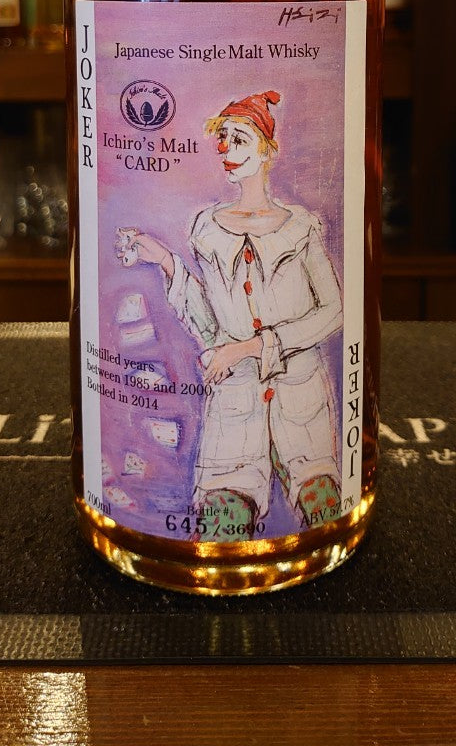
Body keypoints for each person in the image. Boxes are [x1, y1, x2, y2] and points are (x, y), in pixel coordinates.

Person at [122, 89, 344, 539]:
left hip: (302, 400)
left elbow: (334, 310)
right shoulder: (207, 227)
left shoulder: (301, 228)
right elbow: (209, 327)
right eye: (222, 138)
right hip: (234, 405)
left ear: (267, 151)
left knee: (323, 509)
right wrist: (165, 260)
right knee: (223, 519)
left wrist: (253, 347)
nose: (226, 149)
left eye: (239, 139)